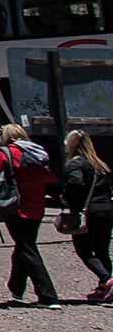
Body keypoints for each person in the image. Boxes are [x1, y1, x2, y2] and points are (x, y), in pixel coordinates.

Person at [0, 123, 61, 307]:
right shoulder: (37, 151)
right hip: (37, 205)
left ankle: (48, 296)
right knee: (23, 246)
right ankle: (16, 288)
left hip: (16, 206)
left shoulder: (7, 152)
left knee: (27, 248)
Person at [60, 129, 113, 302]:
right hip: (107, 210)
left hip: (88, 212)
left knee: (84, 250)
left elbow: (75, 182)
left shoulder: (75, 164)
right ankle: (103, 289)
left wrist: (66, 197)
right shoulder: (99, 164)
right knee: (101, 250)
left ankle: (107, 280)